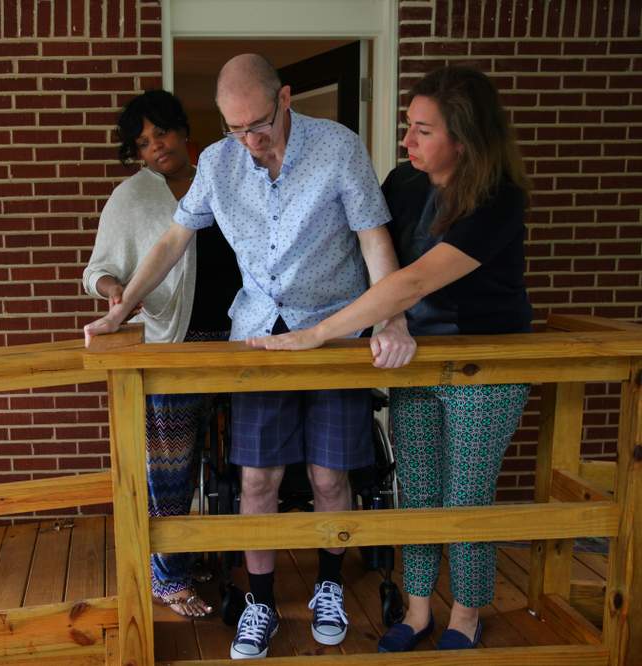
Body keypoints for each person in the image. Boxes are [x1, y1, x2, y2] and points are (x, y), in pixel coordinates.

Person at [85, 55, 414, 659]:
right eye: (235, 128)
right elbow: (172, 240)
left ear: (285, 98)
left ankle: (329, 587)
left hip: (333, 335)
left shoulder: (339, 148)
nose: (249, 139)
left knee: (327, 476)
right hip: (260, 337)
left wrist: (391, 317)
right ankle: (260, 600)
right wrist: (121, 308)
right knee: (258, 479)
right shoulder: (218, 162)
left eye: (258, 124)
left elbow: (374, 240)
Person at [248, 65, 533, 652]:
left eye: (422, 130)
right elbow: (373, 263)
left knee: (466, 496)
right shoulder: (402, 184)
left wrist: (319, 333)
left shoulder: (499, 198)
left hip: (485, 366)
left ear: (466, 137)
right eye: (408, 127)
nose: (406, 142)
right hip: (410, 358)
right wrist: (387, 323)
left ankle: (467, 616)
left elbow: (414, 280)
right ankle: (420, 607)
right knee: (420, 490)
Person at [83, 90, 241, 618]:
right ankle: (167, 574)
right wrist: (113, 292)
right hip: (173, 342)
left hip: (241, 335)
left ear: (182, 130)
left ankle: (207, 551)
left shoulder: (223, 178)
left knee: (237, 460)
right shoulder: (132, 197)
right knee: (171, 463)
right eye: (143, 143)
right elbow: (98, 268)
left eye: (162, 134)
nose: (155, 148)